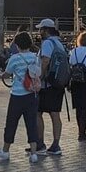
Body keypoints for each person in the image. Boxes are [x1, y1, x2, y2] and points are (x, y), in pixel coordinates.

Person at [0, 31, 43, 163]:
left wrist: (3, 74)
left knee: (11, 123)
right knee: (31, 123)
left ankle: (6, 150)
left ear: (17, 45)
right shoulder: (35, 57)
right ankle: (34, 153)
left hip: (17, 95)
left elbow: (7, 74)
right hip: (32, 94)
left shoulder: (15, 58)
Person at [36, 18, 66, 156]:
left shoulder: (47, 43)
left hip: (46, 84)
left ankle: (40, 143)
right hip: (58, 83)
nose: (39, 32)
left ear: (46, 30)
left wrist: (39, 77)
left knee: (37, 113)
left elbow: (45, 60)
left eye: (40, 29)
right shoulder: (59, 43)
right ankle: (56, 144)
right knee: (55, 114)